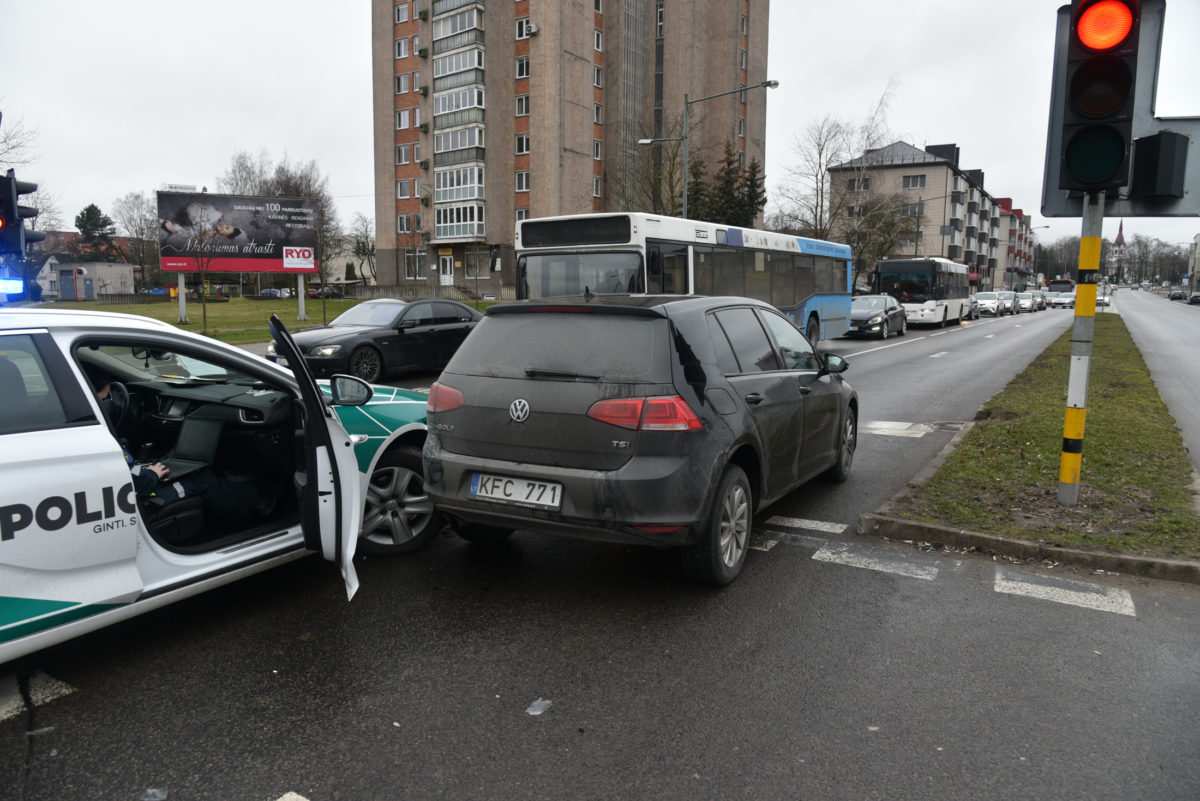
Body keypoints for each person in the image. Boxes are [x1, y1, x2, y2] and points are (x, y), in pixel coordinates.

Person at [82, 364, 276, 525]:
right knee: (201, 479)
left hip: (123, 488)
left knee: (172, 465)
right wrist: (151, 474)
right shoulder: (94, 434)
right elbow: (135, 484)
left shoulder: (82, 425)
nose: (109, 403)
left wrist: (148, 468)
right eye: (106, 398)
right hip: (142, 498)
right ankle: (253, 509)